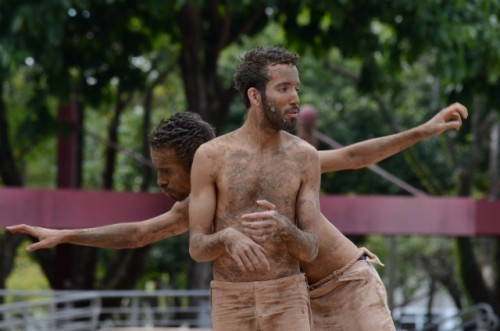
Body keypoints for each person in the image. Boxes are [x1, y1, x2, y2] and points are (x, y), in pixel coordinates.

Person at [6, 71, 468, 331]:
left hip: (348, 285)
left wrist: (424, 130)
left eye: (166, 171)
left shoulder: (276, 164)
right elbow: (140, 233)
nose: (162, 183)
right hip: (296, 304)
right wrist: (65, 234)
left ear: (199, 162)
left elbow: (351, 156)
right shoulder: (198, 207)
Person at [187, 46, 321, 331]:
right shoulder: (212, 155)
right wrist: (227, 238)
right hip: (230, 297)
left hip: (287, 295)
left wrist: (284, 228)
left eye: (296, 88)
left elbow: (310, 249)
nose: (295, 98)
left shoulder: (305, 157)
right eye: (283, 88)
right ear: (255, 96)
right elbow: (197, 248)